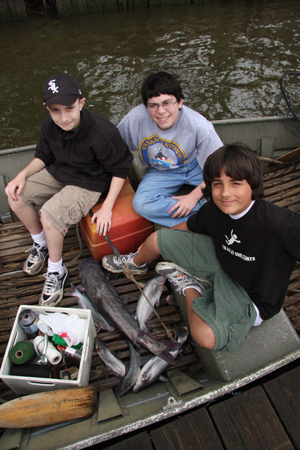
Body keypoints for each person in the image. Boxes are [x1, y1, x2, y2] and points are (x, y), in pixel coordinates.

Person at [102, 143, 300, 352]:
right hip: (221, 261)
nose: (225, 193)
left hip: (250, 296)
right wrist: (164, 241)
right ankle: (134, 264)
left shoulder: (281, 224)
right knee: (155, 239)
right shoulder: (215, 209)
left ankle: (189, 286)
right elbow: (187, 225)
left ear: (253, 184)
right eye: (217, 184)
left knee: (204, 337)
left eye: (235, 183)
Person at [5, 73, 133, 307]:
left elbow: (120, 169)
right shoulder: (49, 125)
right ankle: (40, 242)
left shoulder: (102, 132)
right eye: (55, 110)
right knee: (14, 194)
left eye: (69, 108)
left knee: (50, 216)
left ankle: (56, 271)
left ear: (81, 103)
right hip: (61, 172)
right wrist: (21, 176)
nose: (63, 117)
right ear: (47, 108)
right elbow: (43, 156)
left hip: (90, 182)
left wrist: (107, 207)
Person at [117, 71, 223, 227]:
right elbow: (114, 146)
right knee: (141, 204)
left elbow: (220, 168)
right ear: (145, 106)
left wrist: (192, 197)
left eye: (167, 103)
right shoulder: (135, 119)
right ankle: (205, 213)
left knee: (228, 190)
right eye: (153, 105)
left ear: (180, 102)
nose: (161, 111)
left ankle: (203, 208)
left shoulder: (199, 125)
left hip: (196, 166)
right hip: (161, 169)